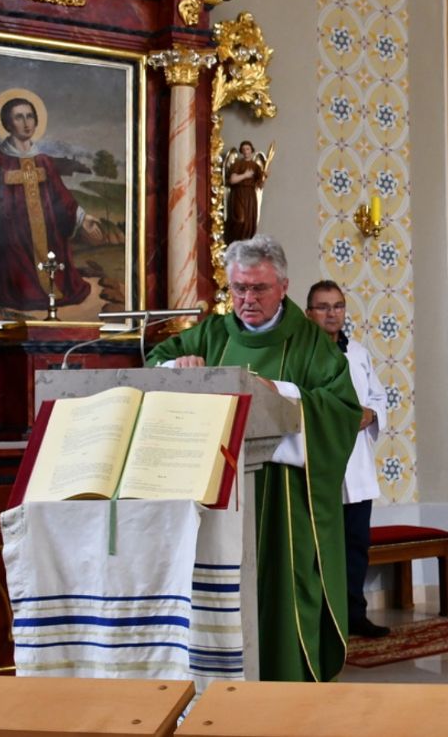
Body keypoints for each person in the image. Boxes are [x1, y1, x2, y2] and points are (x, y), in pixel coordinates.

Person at [147, 235, 361, 682]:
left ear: (283, 286)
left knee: (279, 592)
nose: (246, 299)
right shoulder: (212, 332)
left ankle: (285, 684)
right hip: (216, 494)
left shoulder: (309, 342)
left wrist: (280, 395)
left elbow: (342, 411)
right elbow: (156, 363)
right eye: (238, 288)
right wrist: (177, 367)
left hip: (284, 502)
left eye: (258, 289)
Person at [0, 96, 103, 310]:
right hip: (14, 239)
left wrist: (83, 217)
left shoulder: (43, 160)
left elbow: (61, 196)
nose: (26, 123)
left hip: (49, 237)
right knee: (15, 282)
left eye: (30, 116)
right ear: (7, 123)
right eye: (19, 117)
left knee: (59, 275)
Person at [306, 280, 391, 639]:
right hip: (318, 463)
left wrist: (370, 414)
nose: (331, 313)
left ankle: (355, 614)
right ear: (309, 313)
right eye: (323, 307)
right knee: (321, 548)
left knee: (356, 545)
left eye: (338, 306)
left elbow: (378, 395)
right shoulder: (300, 354)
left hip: (355, 463)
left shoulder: (356, 352)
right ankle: (324, 619)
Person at [225, 141, 266, 244]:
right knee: (240, 219)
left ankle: (246, 242)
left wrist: (263, 177)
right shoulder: (238, 164)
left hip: (250, 195)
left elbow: (260, 185)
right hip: (239, 193)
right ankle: (235, 241)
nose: (245, 151)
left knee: (249, 221)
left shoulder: (255, 166)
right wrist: (245, 175)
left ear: (251, 150)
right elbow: (232, 180)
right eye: (243, 149)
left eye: (247, 149)